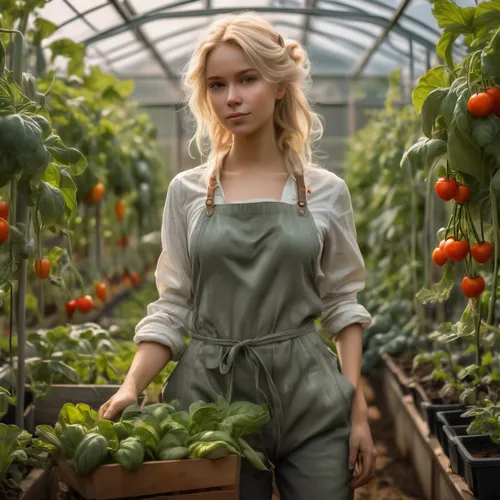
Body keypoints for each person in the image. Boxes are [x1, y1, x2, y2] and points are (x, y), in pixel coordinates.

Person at [99, 11, 376, 499]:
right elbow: (173, 305)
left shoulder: (324, 191)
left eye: (247, 79)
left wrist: (356, 415)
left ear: (279, 86)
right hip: (210, 405)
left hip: (310, 396)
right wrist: (131, 385)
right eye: (217, 85)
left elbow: (343, 305)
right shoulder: (186, 192)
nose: (232, 97)